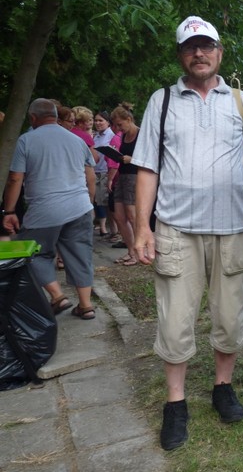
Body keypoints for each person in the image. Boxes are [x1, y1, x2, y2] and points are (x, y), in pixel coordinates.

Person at [131, 15, 243, 451]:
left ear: (219, 52)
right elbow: (147, 167)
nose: (199, 53)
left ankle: (223, 386)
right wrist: (142, 227)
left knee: (230, 315)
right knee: (174, 320)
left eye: (206, 46)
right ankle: (175, 402)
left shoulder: (242, 103)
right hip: (176, 228)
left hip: (233, 227)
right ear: (180, 55)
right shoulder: (162, 100)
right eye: (190, 47)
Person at [1, 98, 97, 319]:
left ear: (33, 118)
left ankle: (57, 296)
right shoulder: (77, 140)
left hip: (45, 210)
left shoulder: (26, 141)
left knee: (33, 252)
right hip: (80, 206)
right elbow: (90, 176)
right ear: (55, 115)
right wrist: (89, 203)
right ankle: (86, 306)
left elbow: (15, 178)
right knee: (81, 254)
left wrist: (9, 211)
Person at [110, 106, 140, 266]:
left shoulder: (141, 134)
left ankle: (139, 252)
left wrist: (132, 159)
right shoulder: (123, 136)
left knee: (132, 215)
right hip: (122, 176)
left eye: (120, 124)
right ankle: (130, 251)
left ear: (129, 119)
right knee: (119, 216)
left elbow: (151, 158)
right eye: (116, 125)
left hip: (135, 176)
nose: (118, 128)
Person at [93, 110, 121, 238]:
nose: (97, 123)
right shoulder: (96, 136)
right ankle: (112, 231)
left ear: (108, 123)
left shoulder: (111, 136)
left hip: (107, 172)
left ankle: (115, 231)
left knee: (108, 203)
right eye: (96, 120)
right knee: (101, 202)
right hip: (97, 171)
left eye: (101, 120)